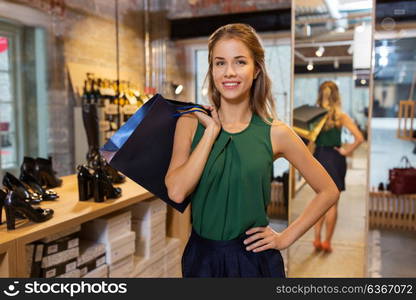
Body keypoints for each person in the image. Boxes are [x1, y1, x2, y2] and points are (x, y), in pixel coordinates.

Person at [165, 23, 339, 278]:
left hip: (253, 260)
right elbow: (177, 192)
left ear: (256, 69)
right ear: (211, 69)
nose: (229, 72)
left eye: (240, 62)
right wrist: (211, 132)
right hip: (201, 259)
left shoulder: (275, 132)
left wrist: (285, 237)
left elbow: (328, 190)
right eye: (220, 63)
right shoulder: (190, 123)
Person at [312, 81, 364, 253]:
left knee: (319, 201)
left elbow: (308, 140)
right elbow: (359, 138)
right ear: (337, 95)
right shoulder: (340, 116)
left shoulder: (315, 114)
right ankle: (327, 242)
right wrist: (345, 150)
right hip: (335, 159)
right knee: (332, 204)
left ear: (320, 94)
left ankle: (317, 239)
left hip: (318, 158)